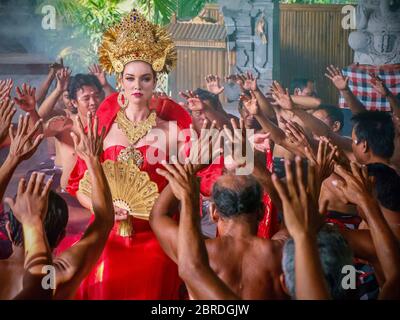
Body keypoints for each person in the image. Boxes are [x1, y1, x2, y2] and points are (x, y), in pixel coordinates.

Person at [65, 9, 192, 299]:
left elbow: (185, 190)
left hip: (158, 239)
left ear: (155, 81)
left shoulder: (172, 133)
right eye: (130, 78)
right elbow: (81, 186)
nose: (137, 86)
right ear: (120, 80)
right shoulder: (101, 130)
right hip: (107, 235)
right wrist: (103, 208)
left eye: (145, 79)